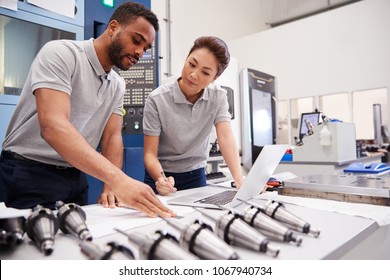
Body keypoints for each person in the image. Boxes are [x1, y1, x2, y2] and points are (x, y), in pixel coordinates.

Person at [0, 2, 175, 218]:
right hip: (28, 173)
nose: (139, 52)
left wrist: (111, 186)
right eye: (136, 41)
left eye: (145, 48)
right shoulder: (61, 54)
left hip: (75, 178)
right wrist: (119, 179)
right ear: (112, 28)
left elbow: (112, 138)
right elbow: (53, 126)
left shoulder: (117, 84)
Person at [143, 36, 244, 195]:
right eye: (192, 64)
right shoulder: (157, 99)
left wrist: (239, 179)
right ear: (186, 59)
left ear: (214, 78)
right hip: (161, 175)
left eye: (205, 72)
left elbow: (225, 137)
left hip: (195, 176)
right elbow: (149, 153)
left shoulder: (218, 97)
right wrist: (161, 179)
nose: (193, 74)